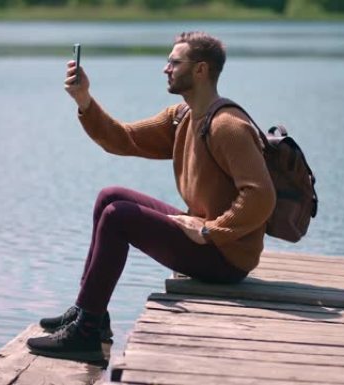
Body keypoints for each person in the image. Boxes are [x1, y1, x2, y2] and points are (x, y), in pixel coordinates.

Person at [26, 31, 276, 362]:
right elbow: (122, 139)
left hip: (227, 257)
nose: (165, 68)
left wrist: (208, 231)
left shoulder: (227, 126)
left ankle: (84, 335)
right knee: (109, 197)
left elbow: (261, 197)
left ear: (200, 70)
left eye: (174, 62)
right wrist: (84, 99)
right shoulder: (182, 116)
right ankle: (90, 315)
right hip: (207, 238)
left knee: (119, 217)